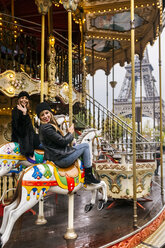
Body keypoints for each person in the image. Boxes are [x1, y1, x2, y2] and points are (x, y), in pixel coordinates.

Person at [36, 102, 100, 184]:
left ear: (50, 113)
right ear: (40, 118)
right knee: (85, 146)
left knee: (80, 147)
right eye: (42, 115)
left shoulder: (46, 126)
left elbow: (59, 142)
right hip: (61, 159)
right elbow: (63, 142)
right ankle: (88, 175)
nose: (45, 116)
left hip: (57, 157)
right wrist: (70, 133)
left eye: (47, 113)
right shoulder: (47, 128)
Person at [11, 91, 40, 159]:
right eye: (22, 98)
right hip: (23, 141)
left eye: (26, 98)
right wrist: (24, 114)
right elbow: (21, 130)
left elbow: (29, 129)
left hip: (30, 139)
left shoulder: (26, 110)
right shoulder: (16, 111)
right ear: (19, 100)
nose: (24, 100)